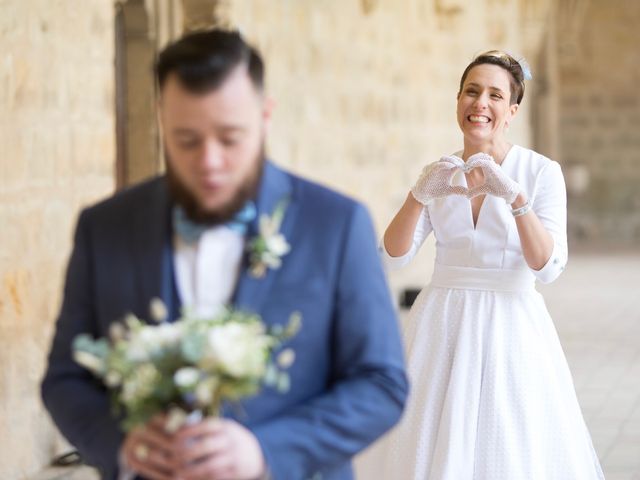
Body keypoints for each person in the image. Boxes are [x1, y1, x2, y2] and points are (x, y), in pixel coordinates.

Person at [41, 29, 408, 480]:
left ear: (265, 116)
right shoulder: (105, 227)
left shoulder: (335, 224)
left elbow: (381, 384)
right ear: (160, 119)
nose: (209, 161)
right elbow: (65, 379)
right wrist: (122, 445)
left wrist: (265, 451)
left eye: (230, 138)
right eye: (187, 140)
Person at [356, 51, 604, 479]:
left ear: (511, 111)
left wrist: (517, 200)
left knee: (506, 442)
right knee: (429, 438)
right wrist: (418, 195)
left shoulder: (541, 172)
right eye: (471, 92)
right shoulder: (440, 171)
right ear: (458, 101)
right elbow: (393, 258)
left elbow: (547, 267)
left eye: (494, 95)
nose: (480, 103)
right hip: (441, 323)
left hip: (510, 323)